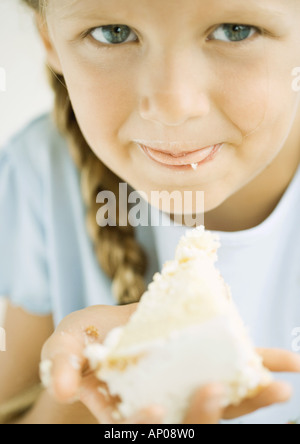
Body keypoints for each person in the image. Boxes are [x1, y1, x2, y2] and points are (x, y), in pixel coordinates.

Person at [0, 0, 300, 424]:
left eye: (235, 30)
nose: (172, 105)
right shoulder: (42, 175)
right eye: (113, 33)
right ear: (49, 40)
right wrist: (100, 389)